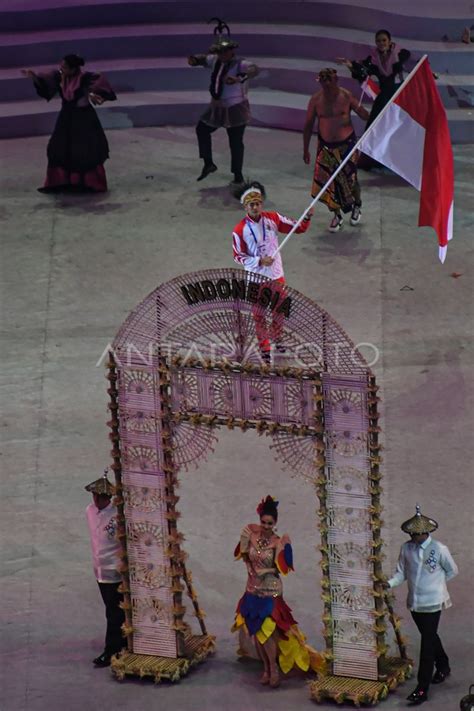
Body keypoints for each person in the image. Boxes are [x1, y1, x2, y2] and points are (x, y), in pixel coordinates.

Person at [232, 496, 323, 688]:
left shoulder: (277, 542)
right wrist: (249, 566)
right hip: (252, 589)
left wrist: (267, 570)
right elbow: (245, 555)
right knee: (256, 631)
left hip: (270, 591)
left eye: (270, 523)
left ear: (275, 523)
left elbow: (283, 568)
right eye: (263, 522)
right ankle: (265, 668)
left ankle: (273, 668)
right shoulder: (251, 535)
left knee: (268, 632)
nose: (265, 526)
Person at [385, 505, 458, 706]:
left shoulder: (440, 549)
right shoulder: (406, 548)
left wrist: (436, 583)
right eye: (412, 534)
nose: (414, 537)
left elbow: (452, 570)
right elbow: (402, 572)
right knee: (431, 635)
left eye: (417, 534)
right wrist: (390, 583)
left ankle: (422, 687)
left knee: (426, 644)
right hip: (415, 602)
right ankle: (443, 665)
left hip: (433, 602)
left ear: (425, 532)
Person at [232, 181, 313, 362]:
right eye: (251, 204)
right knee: (259, 315)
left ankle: (277, 338)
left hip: (276, 275)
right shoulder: (240, 230)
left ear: (262, 203)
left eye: (258, 203)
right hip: (255, 279)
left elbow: (297, 227)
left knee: (279, 311)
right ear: (245, 206)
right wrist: (259, 260)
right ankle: (265, 348)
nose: (255, 207)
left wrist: (306, 217)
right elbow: (238, 256)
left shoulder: (273, 218)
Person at [21, 54, 116, 192]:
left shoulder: (85, 79)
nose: (61, 68)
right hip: (66, 118)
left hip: (83, 119)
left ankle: (87, 183)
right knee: (57, 148)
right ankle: (61, 182)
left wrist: (93, 94)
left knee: (84, 151)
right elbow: (46, 84)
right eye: (62, 66)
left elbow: (96, 89)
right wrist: (34, 77)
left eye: (65, 67)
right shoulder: (60, 77)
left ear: (73, 69)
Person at [303, 68, 369, 232]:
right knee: (327, 185)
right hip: (325, 147)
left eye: (329, 80)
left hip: (347, 145)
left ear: (336, 80)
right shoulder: (315, 100)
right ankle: (336, 215)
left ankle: (357, 205)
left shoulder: (346, 96)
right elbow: (308, 125)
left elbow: (362, 113)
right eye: (323, 80)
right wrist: (305, 149)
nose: (326, 84)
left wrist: (374, 116)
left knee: (351, 180)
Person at [188, 32, 259, 184]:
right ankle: (208, 163)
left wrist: (240, 78)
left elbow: (254, 69)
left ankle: (237, 174)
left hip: (235, 109)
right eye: (219, 51)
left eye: (224, 51)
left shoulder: (241, 63)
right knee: (202, 129)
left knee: (235, 141)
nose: (222, 54)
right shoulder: (215, 60)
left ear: (232, 51)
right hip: (217, 107)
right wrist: (195, 60)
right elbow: (203, 59)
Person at [337, 30, 411, 170]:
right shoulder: (374, 57)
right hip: (384, 96)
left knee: (398, 128)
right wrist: (349, 64)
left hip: (399, 94)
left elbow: (414, 65)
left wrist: (429, 73)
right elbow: (363, 68)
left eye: (384, 40)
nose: (381, 43)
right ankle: (370, 160)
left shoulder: (402, 53)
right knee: (374, 126)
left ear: (389, 41)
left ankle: (399, 162)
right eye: (378, 41)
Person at [85, 471, 125, 667]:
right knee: (113, 611)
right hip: (99, 570)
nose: (95, 500)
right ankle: (123, 642)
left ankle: (112, 650)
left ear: (107, 497)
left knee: (114, 612)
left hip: (115, 571)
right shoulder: (89, 511)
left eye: (99, 497)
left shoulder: (119, 516)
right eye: (94, 496)